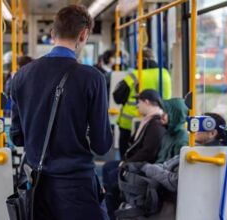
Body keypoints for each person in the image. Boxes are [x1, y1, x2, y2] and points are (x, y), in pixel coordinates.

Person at [10, 5, 112, 220]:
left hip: (36, 185)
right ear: (83, 35)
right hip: (77, 186)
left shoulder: (21, 76)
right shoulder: (92, 78)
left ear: (52, 34)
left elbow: (17, 137)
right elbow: (101, 144)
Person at [102, 89, 166, 219]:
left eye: (139, 102)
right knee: (108, 167)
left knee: (112, 175)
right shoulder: (147, 121)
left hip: (142, 167)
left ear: (147, 102)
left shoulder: (155, 125)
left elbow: (148, 152)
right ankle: (112, 205)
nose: (137, 105)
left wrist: (126, 163)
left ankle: (113, 208)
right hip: (136, 163)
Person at [113, 47, 172, 160]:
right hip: (161, 118)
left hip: (130, 120)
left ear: (139, 60)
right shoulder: (165, 74)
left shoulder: (135, 74)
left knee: (127, 153)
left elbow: (118, 96)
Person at [155, 98, 189, 163]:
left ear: (174, 115)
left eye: (165, 112)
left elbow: (174, 168)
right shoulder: (168, 134)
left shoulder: (182, 139)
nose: (161, 115)